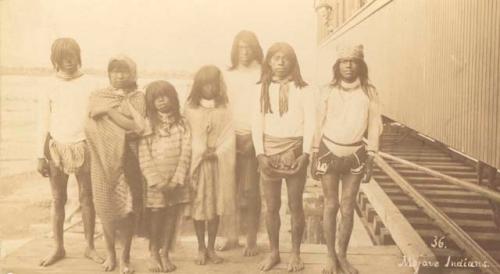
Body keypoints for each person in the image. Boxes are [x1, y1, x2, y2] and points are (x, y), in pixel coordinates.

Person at [311, 45, 382, 274]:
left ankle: (342, 254)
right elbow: (317, 124)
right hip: (329, 152)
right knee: (331, 205)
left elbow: (374, 126)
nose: (348, 65)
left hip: (355, 155)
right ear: (337, 65)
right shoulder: (327, 90)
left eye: (353, 61)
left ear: (360, 64)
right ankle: (330, 257)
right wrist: (313, 153)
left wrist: (371, 157)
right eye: (344, 61)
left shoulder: (369, 91)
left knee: (348, 207)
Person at [36, 37, 103, 267]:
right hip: (57, 148)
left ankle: (90, 247)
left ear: (78, 56)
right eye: (63, 57)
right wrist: (39, 155)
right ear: (56, 59)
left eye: (72, 55)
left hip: (85, 145)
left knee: (87, 198)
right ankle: (58, 246)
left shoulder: (91, 83)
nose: (69, 61)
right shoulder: (49, 85)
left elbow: (100, 117)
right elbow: (43, 122)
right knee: (58, 199)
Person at [251, 42, 315, 272]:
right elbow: (256, 123)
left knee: (296, 204)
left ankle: (296, 253)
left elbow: (311, 125)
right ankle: (274, 252)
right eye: (275, 58)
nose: (280, 62)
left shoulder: (304, 89)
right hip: (268, 151)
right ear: (268, 61)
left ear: (293, 62)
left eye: (285, 58)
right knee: (271, 206)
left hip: (295, 151)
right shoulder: (260, 88)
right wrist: (260, 155)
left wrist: (306, 154)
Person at [85, 55, 146, 274]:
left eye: (124, 71)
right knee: (104, 207)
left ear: (133, 74)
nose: (119, 75)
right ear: (109, 73)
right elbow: (92, 125)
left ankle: (125, 257)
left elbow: (136, 127)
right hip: (102, 160)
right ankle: (110, 253)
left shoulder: (139, 98)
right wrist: (118, 127)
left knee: (127, 209)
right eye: (115, 71)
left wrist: (110, 113)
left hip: (129, 159)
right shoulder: (98, 95)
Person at [217, 30, 263, 256]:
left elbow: (266, 108)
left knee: (251, 191)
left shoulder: (264, 73)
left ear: (256, 49)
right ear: (235, 50)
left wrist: (255, 139)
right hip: (229, 138)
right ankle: (231, 236)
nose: (244, 52)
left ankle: (252, 238)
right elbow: (221, 108)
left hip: (255, 138)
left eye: (249, 47)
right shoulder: (227, 75)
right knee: (229, 191)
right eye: (240, 47)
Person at [138, 80, 192, 273]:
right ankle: (153, 252)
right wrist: (156, 181)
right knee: (156, 216)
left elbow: (187, 151)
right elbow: (143, 154)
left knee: (171, 216)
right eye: (156, 97)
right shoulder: (147, 124)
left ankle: (165, 252)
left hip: (176, 181)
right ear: (150, 101)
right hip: (156, 184)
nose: (161, 100)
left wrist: (177, 179)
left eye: (165, 96)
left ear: (173, 98)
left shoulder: (182, 122)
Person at [184, 65, 236, 265]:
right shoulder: (190, 109)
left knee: (214, 207)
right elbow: (187, 135)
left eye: (213, 84)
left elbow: (229, 136)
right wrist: (200, 150)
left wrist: (217, 152)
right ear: (198, 86)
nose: (209, 88)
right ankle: (200, 247)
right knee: (200, 207)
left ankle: (211, 248)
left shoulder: (224, 109)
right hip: (198, 165)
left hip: (217, 165)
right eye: (205, 84)